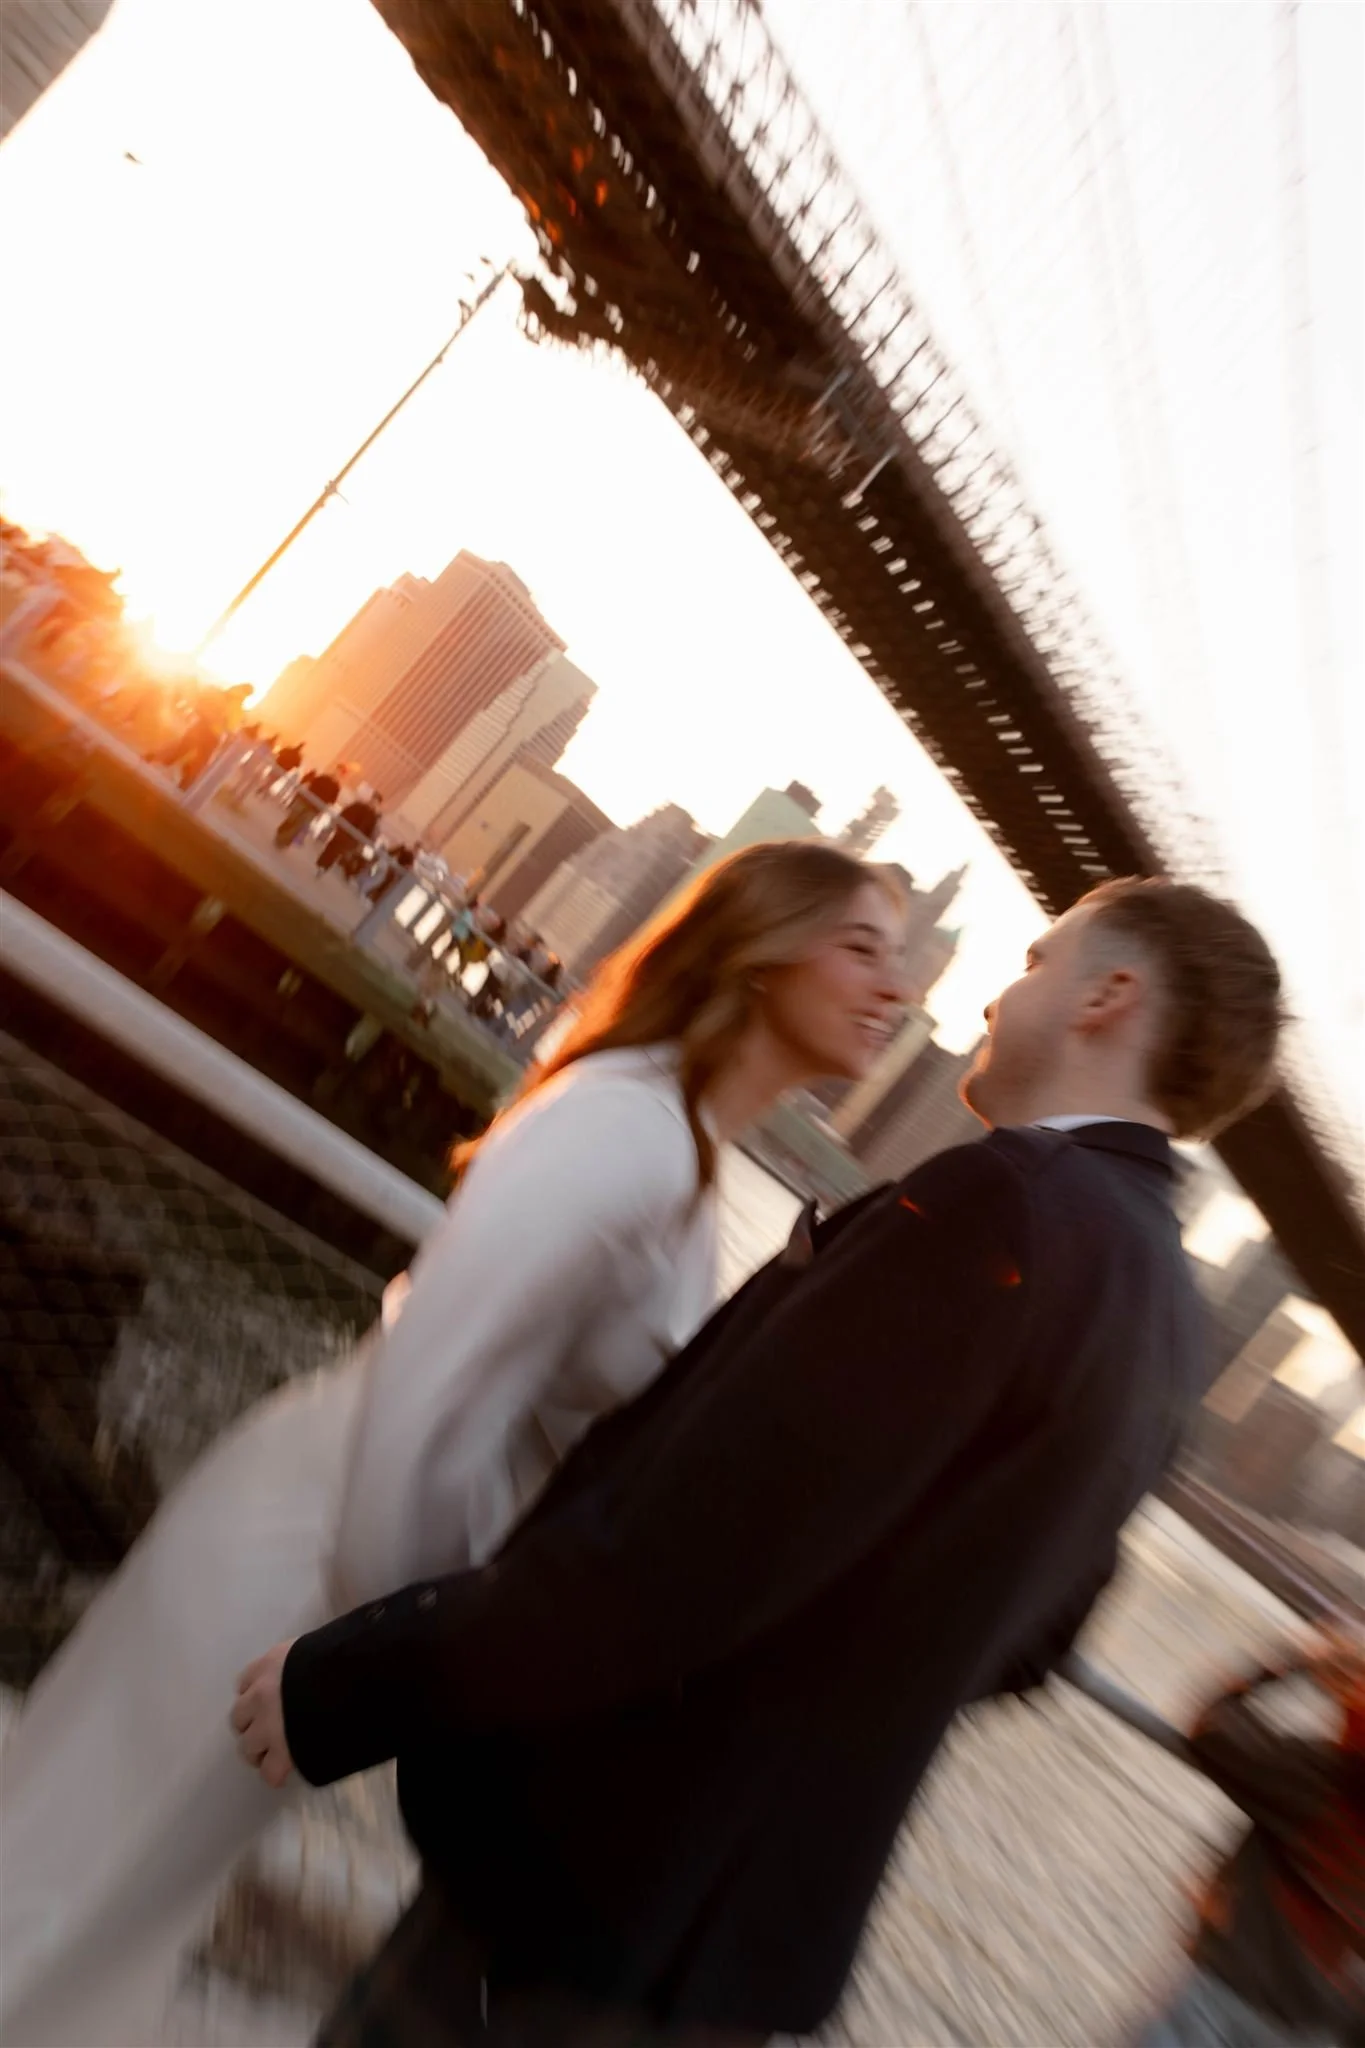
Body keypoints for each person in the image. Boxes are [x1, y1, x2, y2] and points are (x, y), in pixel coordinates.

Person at [232, 877, 1287, 2048]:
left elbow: (686, 1549)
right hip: (741, 1951)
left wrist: (347, 1686)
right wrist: (825, 1688)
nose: (998, 990)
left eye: (1040, 959)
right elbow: (1034, 1642)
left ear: (1111, 995)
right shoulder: (1172, 1319)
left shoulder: (999, 1204)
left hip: (592, 1888)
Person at [0, 839, 906, 2048]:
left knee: (116, 1894)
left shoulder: (674, 1151)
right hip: (299, 1562)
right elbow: (432, 1399)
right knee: (81, 1876)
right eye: (863, 946)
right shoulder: (624, 1131)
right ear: (758, 950)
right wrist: (396, 1670)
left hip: (321, 1574)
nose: (898, 990)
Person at [1134, 1634, 1365, 2048]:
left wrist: (1296, 1661)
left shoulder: (1321, 1781)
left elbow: (1212, 1725)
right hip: (1319, 2031)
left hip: (1225, 1993)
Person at [275, 765, 341, 849]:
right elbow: (331, 801)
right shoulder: (328, 782)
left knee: (297, 822)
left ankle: (284, 836)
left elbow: (330, 800)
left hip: (309, 803)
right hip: (311, 804)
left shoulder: (331, 784)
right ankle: (283, 835)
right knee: (296, 821)